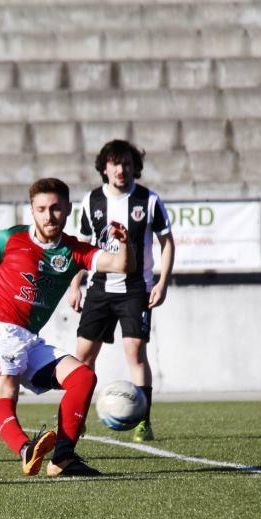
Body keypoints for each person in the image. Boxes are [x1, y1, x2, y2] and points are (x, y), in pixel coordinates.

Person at [0, 178, 131, 477]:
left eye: (56, 208)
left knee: (83, 377)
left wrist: (124, 243)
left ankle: (63, 458)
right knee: (5, 388)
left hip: (29, 338)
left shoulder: (73, 250)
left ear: (68, 209)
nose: (49, 216)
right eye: (42, 209)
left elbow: (121, 265)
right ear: (31, 210)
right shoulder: (9, 239)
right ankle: (25, 450)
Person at [67, 139, 174, 442]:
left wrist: (162, 281)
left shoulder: (149, 201)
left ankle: (143, 421)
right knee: (83, 356)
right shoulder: (91, 201)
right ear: (105, 168)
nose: (121, 169)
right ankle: (77, 419)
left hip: (135, 289)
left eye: (127, 163)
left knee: (135, 353)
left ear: (134, 167)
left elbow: (167, 243)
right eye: (115, 163)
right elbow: (84, 248)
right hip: (99, 287)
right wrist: (75, 284)